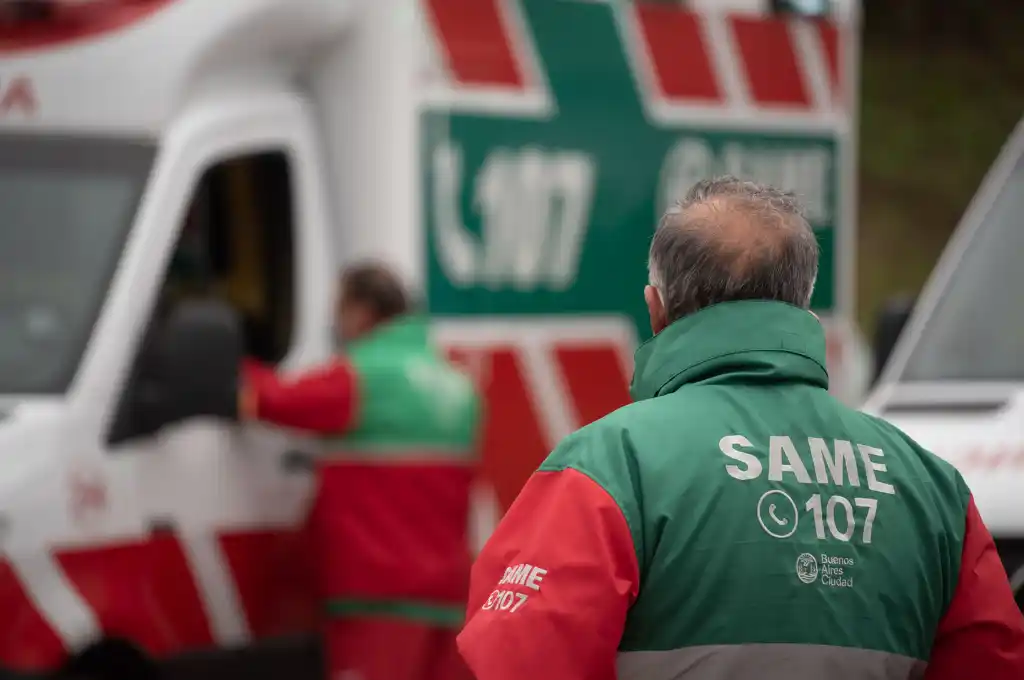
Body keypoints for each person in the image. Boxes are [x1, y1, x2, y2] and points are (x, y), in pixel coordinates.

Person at [456, 177, 1024, 680]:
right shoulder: (931, 486)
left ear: (657, 309)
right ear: (801, 307)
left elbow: (517, 660)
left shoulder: (610, 465)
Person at [241, 262, 480, 680]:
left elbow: (268, 399)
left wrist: (228, 360)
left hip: (378, 597)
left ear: (362, 312)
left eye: (339, 309)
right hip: (447, 596)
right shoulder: (456, 385)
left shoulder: (360, 377)